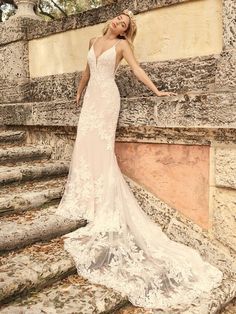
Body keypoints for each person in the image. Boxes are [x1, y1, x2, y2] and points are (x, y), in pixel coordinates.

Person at [56, 9, 223, 311]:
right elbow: (86, 71)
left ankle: (102, 202)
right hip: (91, 99)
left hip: (108, 99)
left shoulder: (122, 47)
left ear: (124, 32)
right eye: (119, 19)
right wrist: (79, 94)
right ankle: (86, 196)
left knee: (102, 149)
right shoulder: (93, 39)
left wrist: (157, 90)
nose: (120, 23)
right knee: (86, 147)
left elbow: (136, 70)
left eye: (125, 24)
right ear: (112, 22)